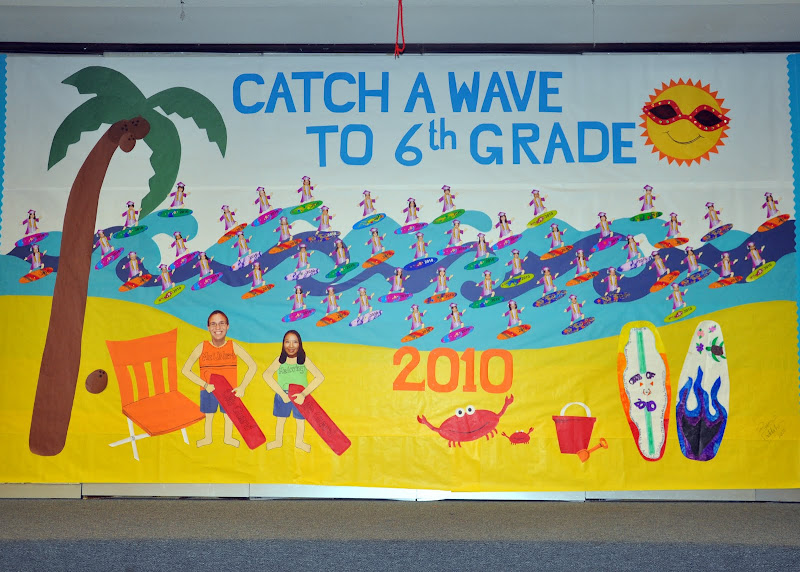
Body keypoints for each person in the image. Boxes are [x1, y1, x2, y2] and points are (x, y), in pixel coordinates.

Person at [181, 310, 257, 448]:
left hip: (229, 391)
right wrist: (205, 385)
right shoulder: (202, 347)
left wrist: (242, 387)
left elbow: (252, 365)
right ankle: (207, 438)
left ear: (227, 326)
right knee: (209, 416)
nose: (217, 327)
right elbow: (185, 370)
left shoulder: (233, 346)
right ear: (208, 327)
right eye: (213, 324)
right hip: (208, 390)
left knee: (229, 415)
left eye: (221, 323)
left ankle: (228, 438)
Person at [263, 330, 325, 452]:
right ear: (283, 344)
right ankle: (278, 441)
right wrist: (282, 394)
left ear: (299, 344)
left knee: (300, 420)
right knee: (280, 419)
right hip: (283, 394)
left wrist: (304, 394)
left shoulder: (304, 360)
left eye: (295, 342)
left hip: (300, 395)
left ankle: (299, 442)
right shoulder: (280, 360)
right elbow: (266, 375)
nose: (291, 346)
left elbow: (320, 377)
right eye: (287, 342)